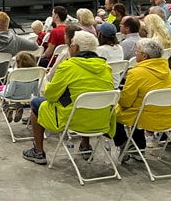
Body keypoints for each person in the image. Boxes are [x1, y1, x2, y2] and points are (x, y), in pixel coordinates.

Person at [22, 31, 115, 165]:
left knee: (37, 103)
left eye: (71, 45)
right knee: (85, 100)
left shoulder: (67, 66)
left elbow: (50, 95)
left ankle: (38, 151)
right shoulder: (106, 68)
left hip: (72, 120)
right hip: (101, 119)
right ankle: (85, 145)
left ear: (75, 48)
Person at [112, 38, 171, 156]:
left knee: (112, 111)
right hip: (169, 116)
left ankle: (123, 143)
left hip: (146, 118)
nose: (135, 54)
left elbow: (126, 102)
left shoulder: (136, 73)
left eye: (137, 52)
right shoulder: (167, 70)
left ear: (144, 56)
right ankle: (138, 148)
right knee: (139, 106)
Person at [0, 50, 39, 123]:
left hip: (13, 95)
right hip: (27, 96)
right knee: (18, 92)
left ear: (18, 62)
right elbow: (36, 93)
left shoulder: (16, 75)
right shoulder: (36, 74)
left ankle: (7, 109)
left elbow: (9, 93)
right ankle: (18, 107)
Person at [96, 22, 124, 88]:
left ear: (101, 35)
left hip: (104, 85)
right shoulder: (119, 48)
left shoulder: (100, 50)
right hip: (116, 84)